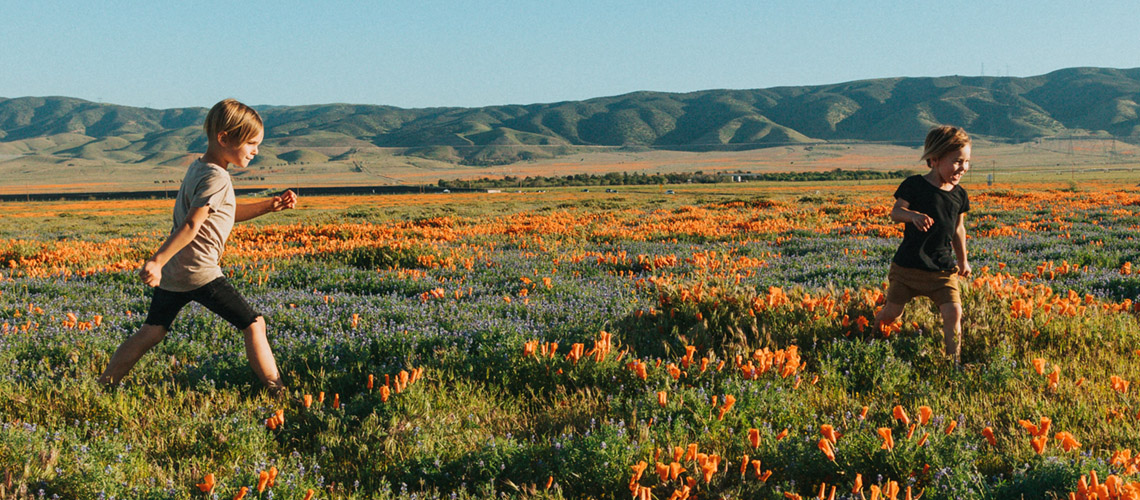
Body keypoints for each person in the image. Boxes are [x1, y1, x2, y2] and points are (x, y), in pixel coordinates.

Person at [99, 99, 296, 392]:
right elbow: (192, 225)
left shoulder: (200, 168)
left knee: (152, 331)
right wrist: (157, 260)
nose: (256, 151)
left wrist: (270, 205)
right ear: (224, 138)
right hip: (198, 271)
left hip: (177, 271)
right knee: (253, 324)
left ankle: (104, 384)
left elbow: (226, 213)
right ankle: (277, 391)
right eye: (251, 143)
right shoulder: (217, 178)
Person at [874, 125, 972, 363]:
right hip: (908, 266)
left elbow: (959, 229)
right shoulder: (914, 185)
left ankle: (953, 363)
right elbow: (896, 213)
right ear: (935, 159)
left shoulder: (960, 195)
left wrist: (963, 260)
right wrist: (913, 216)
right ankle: (873, 339)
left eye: (966, 162)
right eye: (957, 161)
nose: (963, 168)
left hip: (941, 268)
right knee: (892, 312)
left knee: (953, 312)